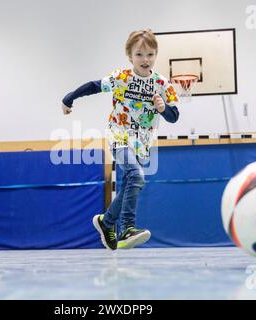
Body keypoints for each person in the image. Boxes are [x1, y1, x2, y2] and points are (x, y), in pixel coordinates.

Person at [61, 30, 179, 250]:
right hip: (119, 134)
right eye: (139, 54)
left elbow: (174, 116)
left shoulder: (162, 84)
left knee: (130, 184)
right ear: (130, 56)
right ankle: (126, 228)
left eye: (150, 54)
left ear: (156, 55)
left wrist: (163, 109)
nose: (145, 59)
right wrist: (69, 98)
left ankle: (106, 222)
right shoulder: (122, 78)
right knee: (136, 174)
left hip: (142, 142)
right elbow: (94, 86)